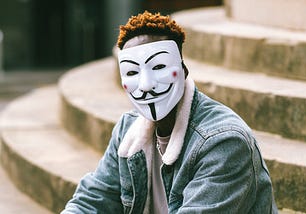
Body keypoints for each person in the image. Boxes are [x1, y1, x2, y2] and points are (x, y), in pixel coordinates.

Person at [61, 11, 278, 213]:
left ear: (183, 71)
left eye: (158, 67)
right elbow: (92, 200)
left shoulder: (225, 141)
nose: (145, 85)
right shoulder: (128, 130)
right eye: (132, 72)